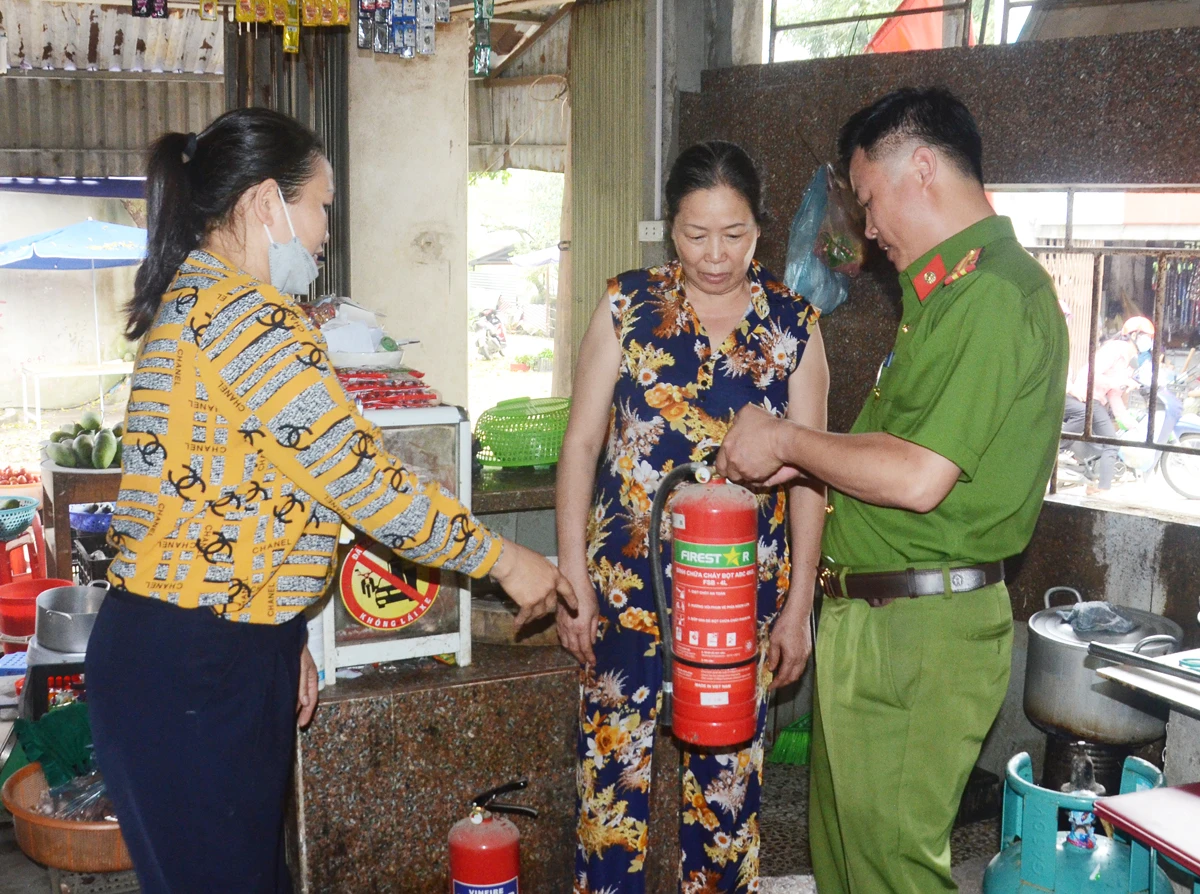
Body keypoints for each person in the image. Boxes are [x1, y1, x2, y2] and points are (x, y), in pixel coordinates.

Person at [85, 108, 574, 894]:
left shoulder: (197, 299)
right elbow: (359, 479)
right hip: (194, 667)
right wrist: (503, 558)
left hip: (196, 653)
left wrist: (287, 636)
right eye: (320, 206)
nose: (322, 233)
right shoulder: (249, 318)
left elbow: (249, 489)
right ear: (262, 203)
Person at [715, 87, 1069, 893]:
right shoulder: (940, 302)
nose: (866, 230)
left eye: (869, 201)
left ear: (921, 168)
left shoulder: (992, 297)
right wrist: (800, 465)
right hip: (879, 623)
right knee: (848, 867)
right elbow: (890, 458)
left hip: (920, 633)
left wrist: (787, 440)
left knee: (891, 873)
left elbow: (916, 476)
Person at [555, 140, 828, 893]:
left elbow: (812, 478)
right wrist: (571, 572)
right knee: (610, 791)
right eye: (694, 234)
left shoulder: (793, 327)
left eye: (733, 235)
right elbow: (580, 446)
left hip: (738, 609)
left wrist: (799, 604)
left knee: (728, 801)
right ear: (670, 228)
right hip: (625, 597)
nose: (714, 255)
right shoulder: (627, 306)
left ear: (760, 231)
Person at [1062, 315, 1150, 493]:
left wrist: (1128, 421)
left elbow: (1114, 396)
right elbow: (1091, 372)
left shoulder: (1130, 362)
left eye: (1149, 337)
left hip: (1097, 402)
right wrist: (1119, 382)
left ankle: (1093, 483)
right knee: (1111, 442)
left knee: (1106, 442)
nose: (1148, 341)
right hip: (1087, 398)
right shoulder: (1115, 349)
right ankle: (1102, 487)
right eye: (1144, 336)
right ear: (1133, 335)